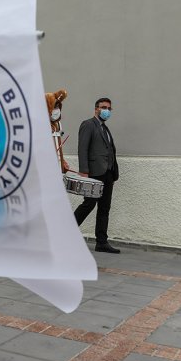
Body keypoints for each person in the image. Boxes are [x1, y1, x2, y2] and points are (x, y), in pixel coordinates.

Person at [74, 97, 120, 254]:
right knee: (89, 204)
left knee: (104, 208)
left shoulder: (105, 129)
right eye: (103, 107)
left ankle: (101, 242)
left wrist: (113, 174)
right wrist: (83, 171)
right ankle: (66, 231)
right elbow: (82, 149)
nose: (106, 110)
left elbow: (110, 151)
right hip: (94, 173)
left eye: (109, 108)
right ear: (96, 109)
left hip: (108, 174)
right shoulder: (88, 124)